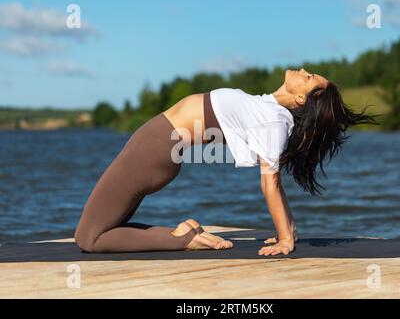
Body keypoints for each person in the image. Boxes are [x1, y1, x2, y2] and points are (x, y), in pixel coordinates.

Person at [74, 68, 378, 256]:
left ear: (301, 100)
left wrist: (285, 240)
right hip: (153, 150)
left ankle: (183, 239)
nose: (303, 71)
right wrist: (290, 229)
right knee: (108, 228)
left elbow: (270, 181)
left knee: (89, 238)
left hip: (151, 151)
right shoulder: (268, 106)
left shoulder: (274, 121)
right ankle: (184, 232)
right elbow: (276, 179)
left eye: (309, 78)